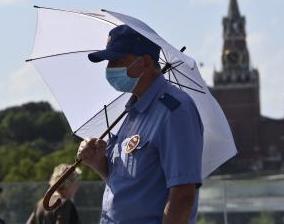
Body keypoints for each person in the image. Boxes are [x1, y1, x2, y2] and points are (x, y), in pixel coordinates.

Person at [77, 25, 204, 224]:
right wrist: (98, 162)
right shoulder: (133, 111)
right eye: (109, 62)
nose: (110, 68)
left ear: (144, 62)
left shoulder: (175, 111)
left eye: (117, 60)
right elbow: (128, 187)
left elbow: (183, 196)